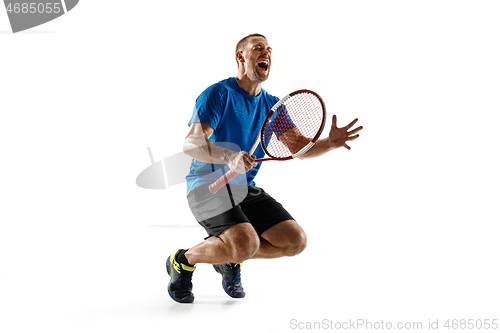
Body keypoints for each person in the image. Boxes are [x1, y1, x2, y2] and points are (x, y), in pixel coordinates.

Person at [166, 33, 363, 303]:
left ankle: (229, 255)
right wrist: (229, 157)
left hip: (244, 188)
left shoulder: (273, 106)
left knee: (295, 241)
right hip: (206, 187)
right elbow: (191, 144)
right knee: (246, 243)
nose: (266, 54)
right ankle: (183, 260)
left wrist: (331, 143)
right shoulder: (218, 94)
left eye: (270, 50)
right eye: (258, 48)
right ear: (240, 57)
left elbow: (300, 150)